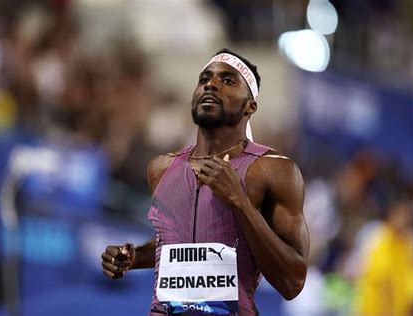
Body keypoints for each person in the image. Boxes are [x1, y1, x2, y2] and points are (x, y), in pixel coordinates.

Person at [101, 48, 309, 315]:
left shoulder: (274, 171)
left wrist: (241, 202)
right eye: (204, 79)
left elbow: (292, 282)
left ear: (250, 106)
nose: (211, 84)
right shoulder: (161, 168)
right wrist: (134, 257)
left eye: (228, 81)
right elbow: (181, 243)